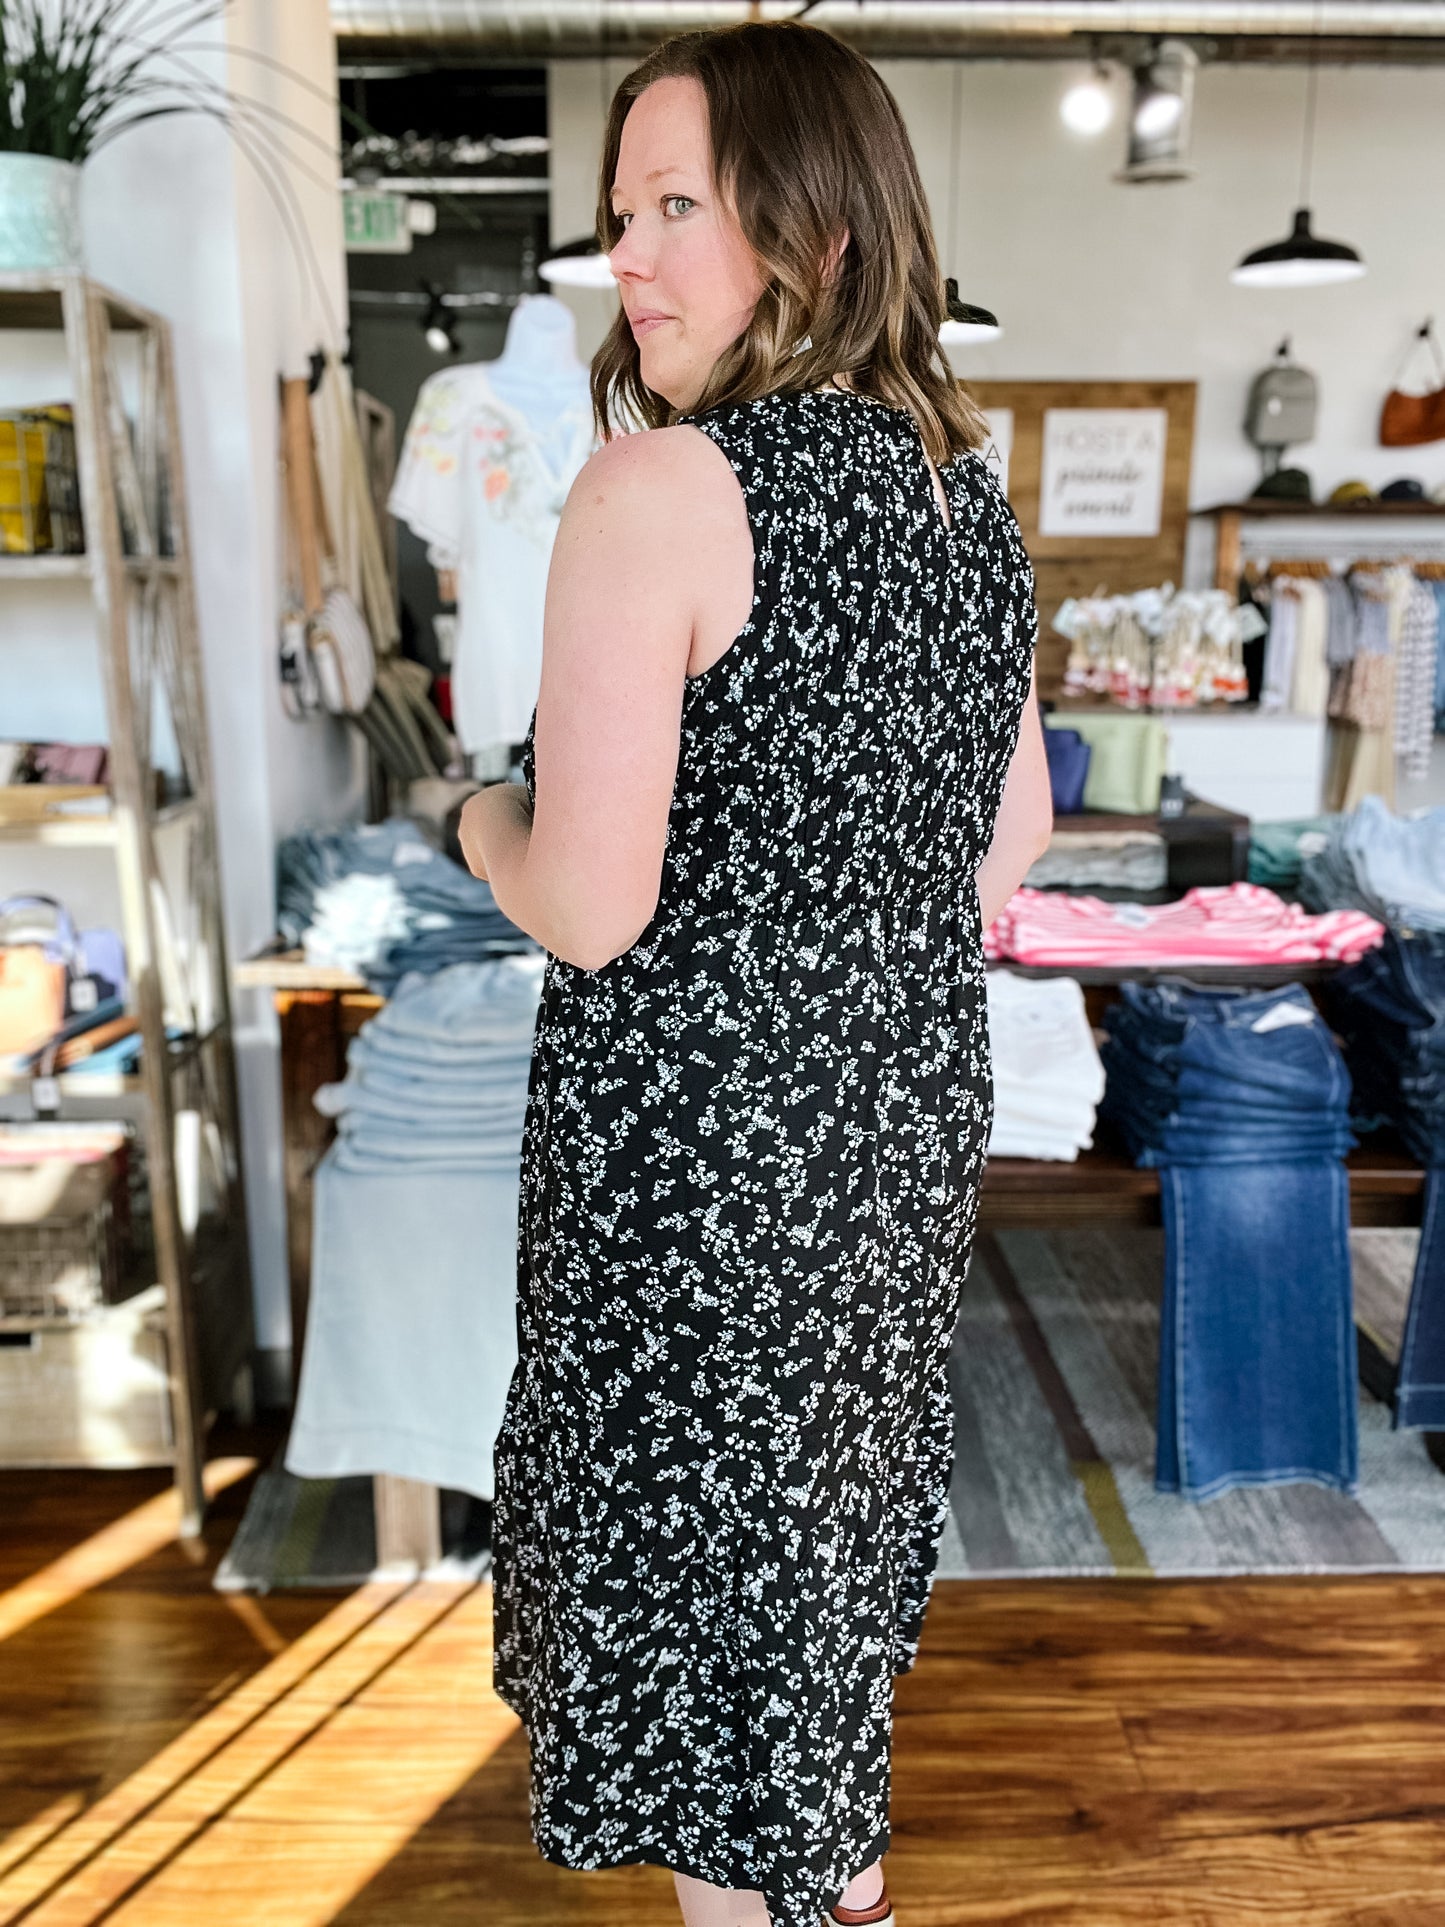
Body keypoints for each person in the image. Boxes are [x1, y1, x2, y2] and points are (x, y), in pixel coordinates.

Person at [458, 21, 1051, 1927]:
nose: (620, 255)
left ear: (810, 232)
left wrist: (475, 815)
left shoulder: (657, 494)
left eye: (669, 206)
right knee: (807, 1623)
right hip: (880, 1153)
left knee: (711, 1658)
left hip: (699, 1177)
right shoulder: (971, 501)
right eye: (618, 210)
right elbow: (1006, 849)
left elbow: (589, 903)